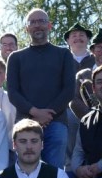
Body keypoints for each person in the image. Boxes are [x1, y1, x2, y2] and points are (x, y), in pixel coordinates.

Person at [6, 9, 76, 169]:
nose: (37, 25)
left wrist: (47, 115)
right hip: (25, 124)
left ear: (49, 25)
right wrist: (35, 113)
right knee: (25, 173)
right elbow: (13, 93)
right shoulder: (15, 58)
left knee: (54, 173)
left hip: (56, 123)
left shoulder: (64, 54)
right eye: (33, 22)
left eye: (41, 21)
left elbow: (69, 90)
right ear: (26, 28)